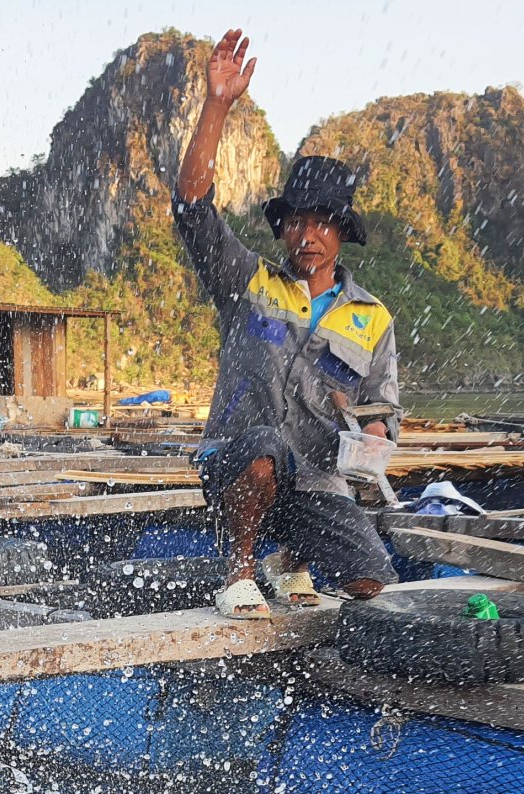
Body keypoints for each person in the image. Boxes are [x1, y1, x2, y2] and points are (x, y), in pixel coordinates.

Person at [173, 28, 401, 618]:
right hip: (235, 465)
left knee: (371, 579)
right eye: (297, 222)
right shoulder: (246, 281)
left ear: (341, 233)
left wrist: (375, 438)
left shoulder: (373, 319)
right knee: (264, 448)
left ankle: (288, 562)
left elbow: (381, 409)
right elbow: (193, 207)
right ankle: (239, 574)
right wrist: (217, 104)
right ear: (282, 228)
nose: (308, 235)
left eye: (323, 223)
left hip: (312, 486)